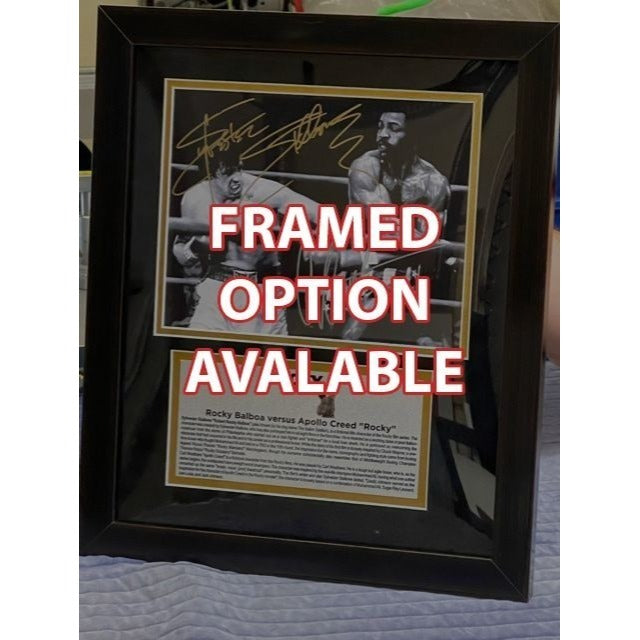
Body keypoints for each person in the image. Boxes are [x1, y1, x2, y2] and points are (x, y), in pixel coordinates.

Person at [172, 151, 318, 334]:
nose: (236, 178)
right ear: (211, 174)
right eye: (227, 173)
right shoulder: (195, 198)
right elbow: (180, 249)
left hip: (262, 291)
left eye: (239, 169)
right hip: (216, 288)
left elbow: (318, 213)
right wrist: (193, 251)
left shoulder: (262, 190)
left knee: (265, 351)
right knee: (201, 346)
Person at [342, 110, 451, 342]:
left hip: (414, 272)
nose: (382, 134)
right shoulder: (365, 168)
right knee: (351, 336)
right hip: (368, 266)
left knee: (435, 344)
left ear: (413, 135)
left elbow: (427, 245)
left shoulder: (434, 182)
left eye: (393, 128)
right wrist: (417, 235)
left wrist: (420, 240)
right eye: (380, 126)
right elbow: (385, 229)